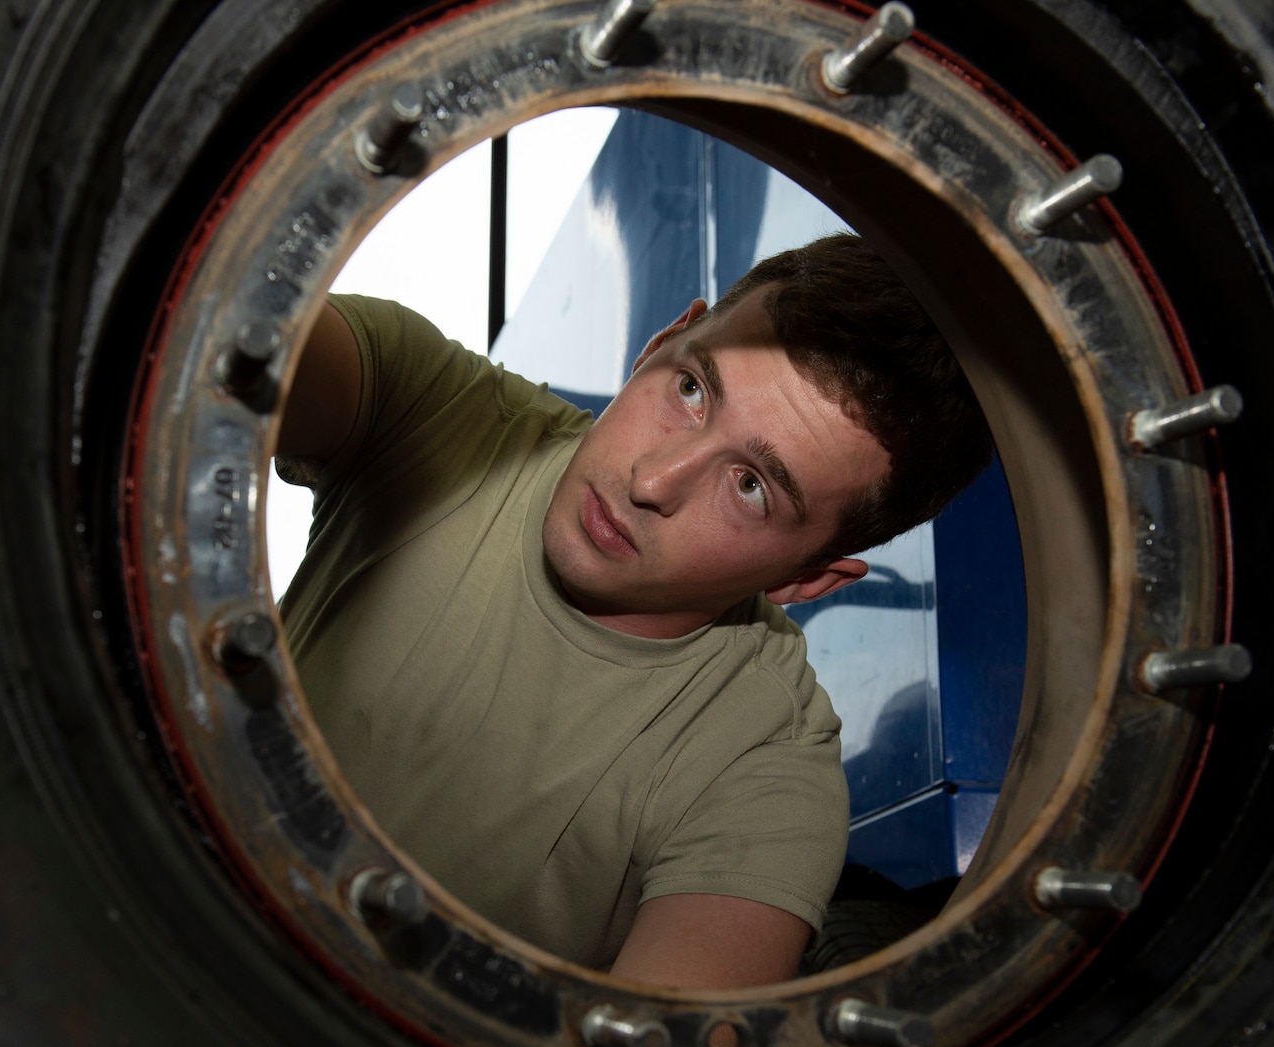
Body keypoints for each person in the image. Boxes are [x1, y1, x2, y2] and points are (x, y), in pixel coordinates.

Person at [273, 233, 992, 989]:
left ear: (807, 578)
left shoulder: (769, 770)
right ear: (662, 339)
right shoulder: (438, 414)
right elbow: (209, 338)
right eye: (692, 390)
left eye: (751, 486)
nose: (653, 480)